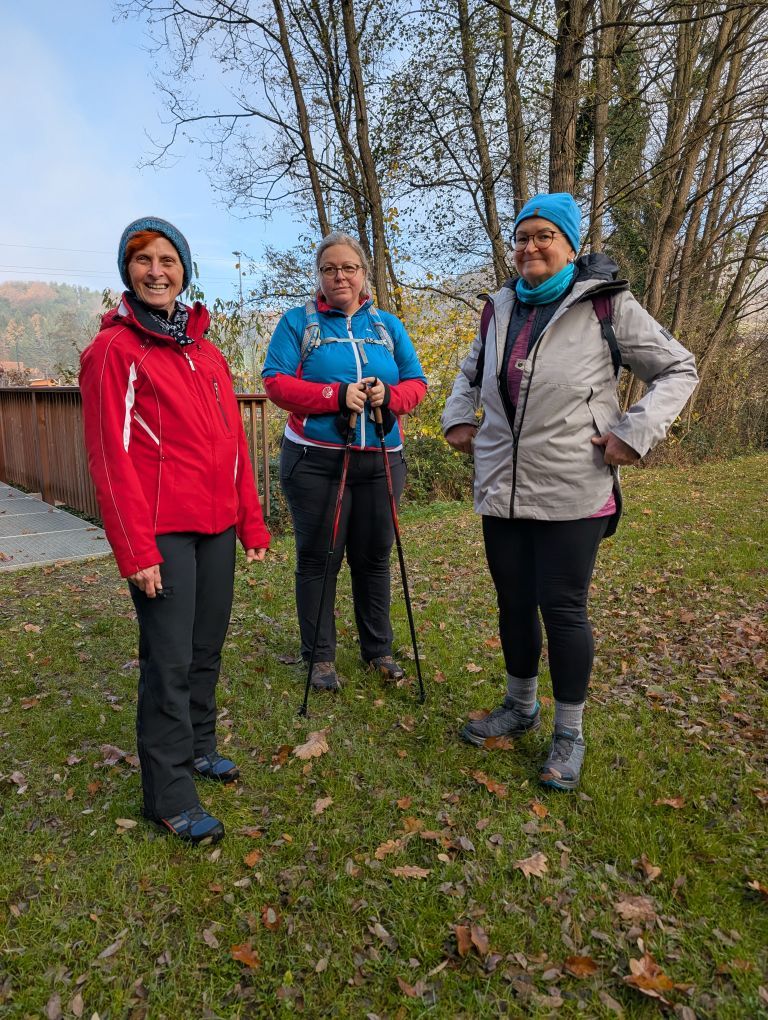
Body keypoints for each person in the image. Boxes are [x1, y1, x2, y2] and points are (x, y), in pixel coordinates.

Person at [442, 193, 697, 790]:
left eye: (544, 236)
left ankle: (569, 732)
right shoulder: (499, 306)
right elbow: (471, 371)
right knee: (512, 601)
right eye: (522, 235)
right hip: (502, 484)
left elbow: (678, 368)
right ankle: (520, 705)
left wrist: (632, 434)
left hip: (572, 487)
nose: (530, 246)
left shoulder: (606, 305)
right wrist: (459, 415)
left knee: (562, 608)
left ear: (570, 244)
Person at [80, 217, 270, 844]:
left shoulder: (204, 349)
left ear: (185, 269)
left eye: (167, 259)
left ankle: (199, 746)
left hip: (216, 525)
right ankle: (167, 792)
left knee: (205, 645)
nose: (155, 271)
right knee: (168, 658)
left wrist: (251, 520)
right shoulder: (113, 352)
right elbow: (110, 456)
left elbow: (232, 443)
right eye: (142, 260)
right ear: (126, 272)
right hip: (160, 533)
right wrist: (135, 549)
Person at [263, 231, 427, 691]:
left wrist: (389, 395)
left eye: (348, 268)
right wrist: (334, 395)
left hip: (380, 459)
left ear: (363, 274)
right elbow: (275, 382)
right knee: (319, 558)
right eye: (330, 268)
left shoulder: (387, 326)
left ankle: (379, 650)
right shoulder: (299, 322)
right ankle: (319, 658)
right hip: (316, 461)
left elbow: (416, 382)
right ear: (319, 276)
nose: (340, 276)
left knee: (374, 557)